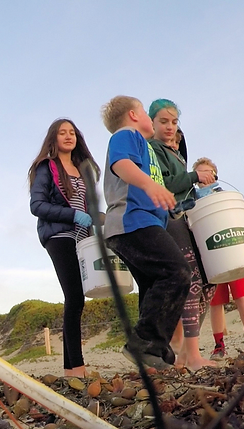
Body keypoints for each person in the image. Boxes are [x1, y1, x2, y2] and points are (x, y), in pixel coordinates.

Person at [100, 96, 191, 371]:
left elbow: (155, 188)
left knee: (153, 286)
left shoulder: (149, 148)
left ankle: (154, 351)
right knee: (177, 272)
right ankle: (143, 343)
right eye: (144, 111)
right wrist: (150, 186)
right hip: (131, 222)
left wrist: (169, 205)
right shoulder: (126, 134)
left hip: (144, 222)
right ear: (133, 114)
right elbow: (122, 165)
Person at [147, 99, 217, 371]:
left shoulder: (173, 152)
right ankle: (192, 354)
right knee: (192, 281)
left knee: (209, 280)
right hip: (170, 217)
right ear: (152, 122)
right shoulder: (153, 149)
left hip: (187, 217)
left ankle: (187, 350)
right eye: (163, 121)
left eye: (174, 122)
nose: (169, 127)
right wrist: (194, 176)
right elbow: (165, 184)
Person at [29, 119, 100, 379]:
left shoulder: (83, 170)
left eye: (72, 132)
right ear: (54, 138)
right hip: (59, 235)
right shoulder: (47, 167)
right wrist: (73, 215)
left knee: (77, 299)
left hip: (82, 238)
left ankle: (71, 369)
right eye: (62, 132)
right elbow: (37, 205)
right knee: (74, 297)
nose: (68, 136)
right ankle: (77, 368)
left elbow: (88, 207)